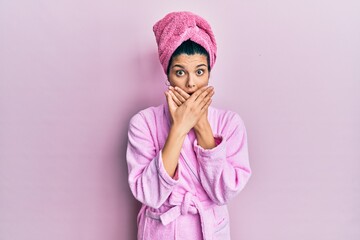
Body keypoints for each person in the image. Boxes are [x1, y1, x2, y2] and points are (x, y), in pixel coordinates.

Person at [126, 11, 252, 240]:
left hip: (210, 230)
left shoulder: (230, 123)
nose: (191, 83)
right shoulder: (143, 123)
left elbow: (223, 193)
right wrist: (179, 129)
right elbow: (149, 194)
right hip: (161, 231)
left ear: (209, 74)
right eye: (180, 72)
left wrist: (202, 126)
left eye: (200, 72)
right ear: (168, 74)